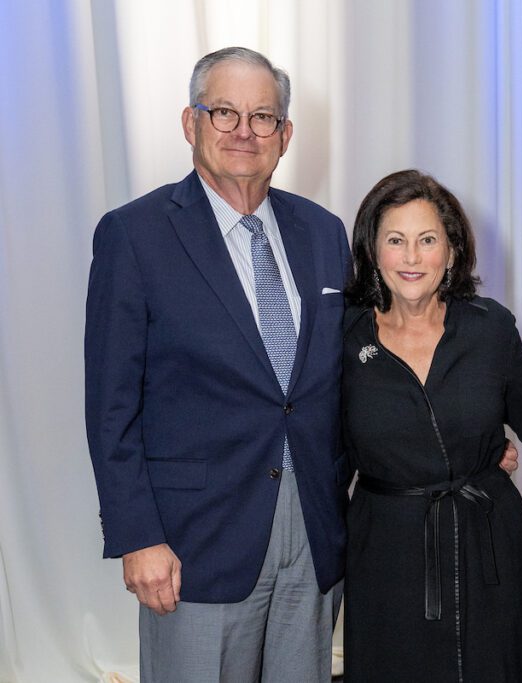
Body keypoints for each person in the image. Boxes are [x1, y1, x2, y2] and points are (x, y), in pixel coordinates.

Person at [84, 47, 351, 681]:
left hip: (313, 530)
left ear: (285, 135)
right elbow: (110, 405)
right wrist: (137, 536)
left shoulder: (324, 232)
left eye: (263, 117)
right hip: (194, 541)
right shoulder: (135, 234)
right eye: (224, 112)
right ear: (191, 122)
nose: (243, 131)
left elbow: (350, 373)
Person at [340, 169, 522, 681]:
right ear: (372, 251)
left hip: (487, 543)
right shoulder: (343, 335)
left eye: (427, 240)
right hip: (386, 550)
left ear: (451, 251)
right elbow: (321, 447)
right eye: (396, 240)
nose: (412, 257)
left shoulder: (491, 327)